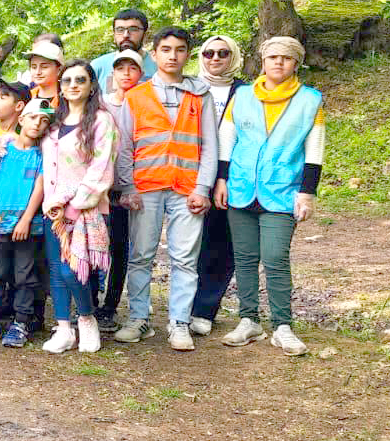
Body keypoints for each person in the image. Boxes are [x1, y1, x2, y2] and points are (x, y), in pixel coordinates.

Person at [214, 36, 323, 356]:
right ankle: (249, 320)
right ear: (263, 61)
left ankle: (282, 325)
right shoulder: (242, 95)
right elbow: (227, 139)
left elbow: (314, 150)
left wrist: (307, 193)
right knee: (245, 259)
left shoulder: (310, 100)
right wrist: (222, 179)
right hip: (241, 189)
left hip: (283, 192)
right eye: (273, 56)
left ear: (295, 64)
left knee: (275, 258)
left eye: (286, 58)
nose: (278, 62)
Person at [113, 27, 219, 351]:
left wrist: (203, 188)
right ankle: (138, 318)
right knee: (141, 255)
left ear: (188, 54)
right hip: (145, 188)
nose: (173, 55)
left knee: (185, 258)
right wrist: (127, 186)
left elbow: (211, 147)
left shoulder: (201, 95)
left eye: (180, 49)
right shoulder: (136, 96)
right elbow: (124, 147)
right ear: (154, 54)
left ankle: (179, 323)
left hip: (187, 189)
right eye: (166, 49)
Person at [42, 60, 118, 353]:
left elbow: (102, 167)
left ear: (91, 85)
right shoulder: (54, 122)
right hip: (53, 208)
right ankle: (63, 328)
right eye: (67, 80)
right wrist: (53, 203)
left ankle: (86, 318)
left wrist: (74, 203)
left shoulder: (101, 120)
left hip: (85, 209)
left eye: (80, 80)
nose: (73, 85)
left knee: (72, 271)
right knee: (55, 269)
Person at [0, 101, 52, 348]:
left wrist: (26, 219)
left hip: (28, 226)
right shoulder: (2, 151)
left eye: (44, 120)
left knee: (25, 275)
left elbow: (39, 187)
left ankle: (22, 321)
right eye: (33, 118)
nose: (37, 124)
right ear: (21, 119)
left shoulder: (43, 155)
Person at [189, 35, 244, 337]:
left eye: (223, 53)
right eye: (209, 52)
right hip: (188, 172)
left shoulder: (246, 92)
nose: (215, 58)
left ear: (233, 56)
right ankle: (182, 306)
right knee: (187, 243)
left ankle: (204, 308)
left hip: (227, 177)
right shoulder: (189, 87)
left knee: (220, 243)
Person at [96, 49, 146, 331]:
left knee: (120, 248)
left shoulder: (145, 105)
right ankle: (90, 300)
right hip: (100, 189)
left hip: (132, 190)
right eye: (120, 68)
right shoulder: (101, 105)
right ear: (112, 73)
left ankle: (110, 305)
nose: (126, 73)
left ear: (140, 73)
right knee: (93, 244)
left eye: (132, 68)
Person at [93, 8, 158, 94]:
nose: (126, 35)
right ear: (114, 34)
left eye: (133, 29)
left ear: (145, 34)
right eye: (120, 30)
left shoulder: (158, 65)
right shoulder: (98, 66)